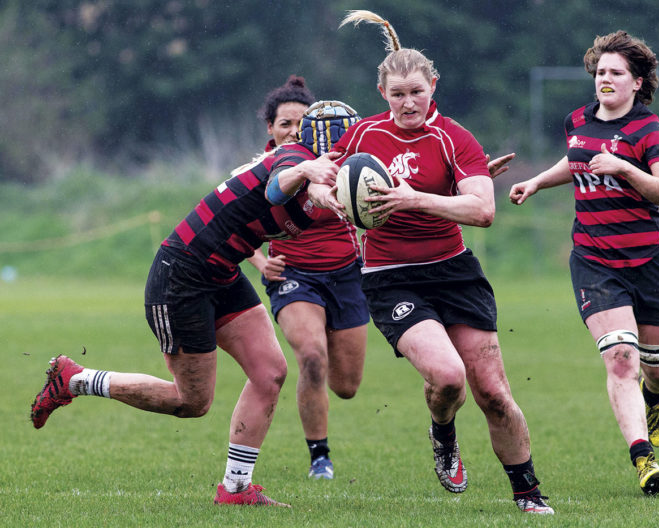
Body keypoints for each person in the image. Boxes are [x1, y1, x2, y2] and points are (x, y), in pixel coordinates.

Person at [29, 101, 359, 506]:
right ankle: (75, 379)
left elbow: (318, 195)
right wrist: (308, 171)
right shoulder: (294, 157)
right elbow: (278, 187)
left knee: (270, 372)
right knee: (191, 402)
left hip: (222, 274)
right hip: (181, 276)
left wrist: (333, 194)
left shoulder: (331, 176)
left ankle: (236, 489)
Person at [334, 10, 553, 515]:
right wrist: (334, 199)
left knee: (494, 392)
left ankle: (528, 494)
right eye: (397, 94)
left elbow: (482, 209)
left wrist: (415, 199)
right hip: (391, 279)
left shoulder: (455, 138)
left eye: (417, 91)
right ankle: (444, 433)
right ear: (382, 94)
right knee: (448, 378)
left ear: (434, 85)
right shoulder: (363, 138)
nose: (408, 102)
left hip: (454, 272)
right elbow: (326, 182)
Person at [509, 30, 659, 495]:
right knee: (622, 358)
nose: (605, 79)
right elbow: (577, 159)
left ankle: (656, 398)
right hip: (594, 260)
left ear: (637, 82)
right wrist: (537, 182)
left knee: (656, 366)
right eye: (600, 71)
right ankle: (643, 458)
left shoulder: (651, 132)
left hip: (648, 262)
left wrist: (624, 167)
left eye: (616, 73)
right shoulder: (578, 120)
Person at [249, 78, 368, 481]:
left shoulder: (345, 159)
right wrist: (259, 261)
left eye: (302, 123)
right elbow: (232, 222)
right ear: (270, 128)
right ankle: (320, 457)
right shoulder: (262, 169)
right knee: (312, 356)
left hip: (347, 274)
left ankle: (322, 435)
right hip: (294, 276)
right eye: (285, 123)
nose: (294, 131)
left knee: (347, 386)